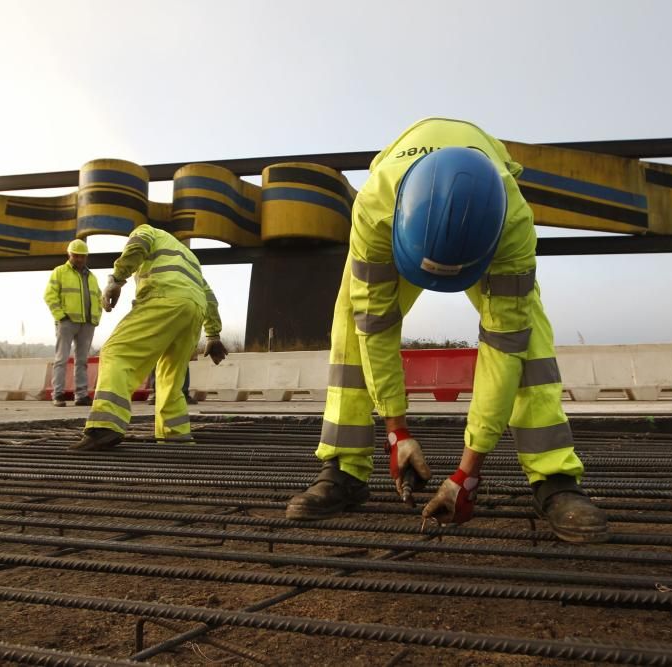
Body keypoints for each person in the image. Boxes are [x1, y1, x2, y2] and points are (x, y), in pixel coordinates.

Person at [285, 118, 608, 544]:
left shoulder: (512, 224)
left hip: (485, 237)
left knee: (527, 336)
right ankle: (344, 469)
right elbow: (375, 325)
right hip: (395, 226)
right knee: (351, 321)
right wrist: (396, 430)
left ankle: (554, 479)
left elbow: (504, 342)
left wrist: (466, 473)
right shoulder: (374, 212)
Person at [71, 223, 227, 451]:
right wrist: (213, 334)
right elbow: (209, 295)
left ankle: (106, 426)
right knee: (171, 376)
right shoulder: (188, 255)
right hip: (194, 310)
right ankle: (175, 435)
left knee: (117, 352)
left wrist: (116, 280)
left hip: (163, 298)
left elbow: (137, 247)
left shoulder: (146, 230)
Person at [44, 239, 102, 407]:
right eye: (76, 256)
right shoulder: (59, 272)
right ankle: (58, 394)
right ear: (70, 255)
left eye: (82, 256)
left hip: (87, 323)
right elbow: (49, 295)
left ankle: (81, 395)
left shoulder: (91, 277)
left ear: (86, 257)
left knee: (82, 361)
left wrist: (96, 318)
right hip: (67, 322)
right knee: (61, 359)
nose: (79, 259)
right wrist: (61, 316)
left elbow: (98, 298)